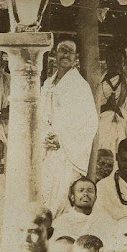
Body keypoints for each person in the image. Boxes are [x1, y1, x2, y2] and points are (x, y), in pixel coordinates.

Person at [39, 40, 98, 216]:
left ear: (75, 57)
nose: (65, 54)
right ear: (54, 55)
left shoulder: (80, 86)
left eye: (70, 51)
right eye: (62, 50)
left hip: (66, 152)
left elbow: (89, 123)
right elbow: (40, 115)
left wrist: (62, 139)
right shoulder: (48, 83)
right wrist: (44, 136)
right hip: (46, 148)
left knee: (62, 197)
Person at [95, 45, 127, 155]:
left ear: (123, 62)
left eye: (119, 60)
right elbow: (84, 112)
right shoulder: (95, 85)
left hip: (121, 134)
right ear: (106, 60)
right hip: (100, 133)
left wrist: (117, 110)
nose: (115, 63)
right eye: (112, 59)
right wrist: (104, 108)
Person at [52, 177, 112, 241]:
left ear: (95, 198)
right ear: (72, 197)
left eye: (90, 191)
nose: (85, 194)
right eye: (81, 190)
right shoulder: (60, 223)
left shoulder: (106, 221)